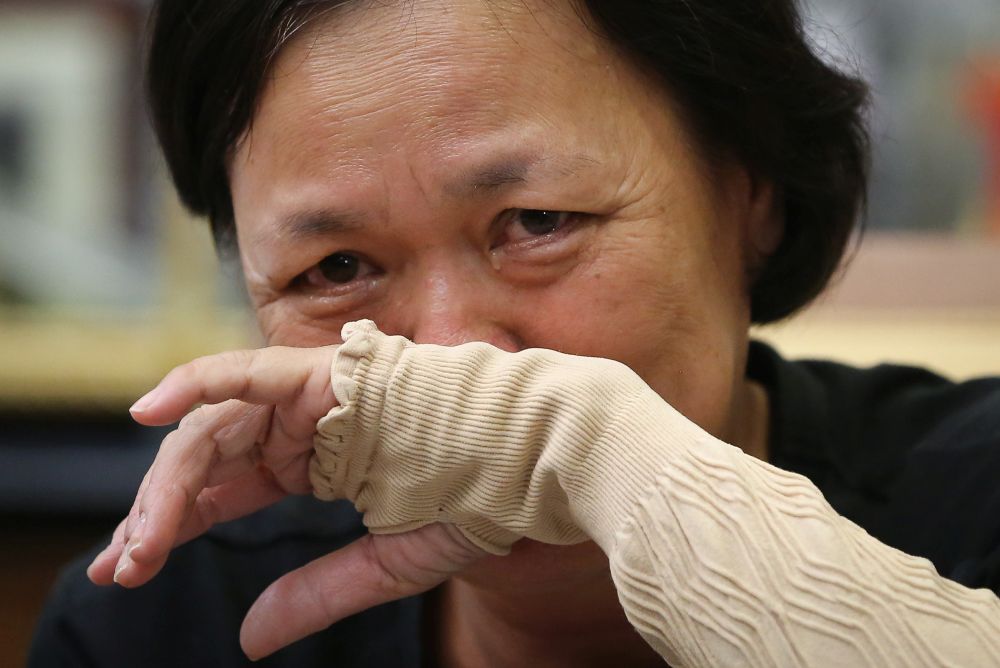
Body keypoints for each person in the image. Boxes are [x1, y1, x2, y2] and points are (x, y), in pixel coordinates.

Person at [30, 0, 1000, 666]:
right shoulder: (158, 622)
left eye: (538, 223)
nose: (452, 353)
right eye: (334, 270)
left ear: (752, 195)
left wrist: (632, 473)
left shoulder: (975, 500)